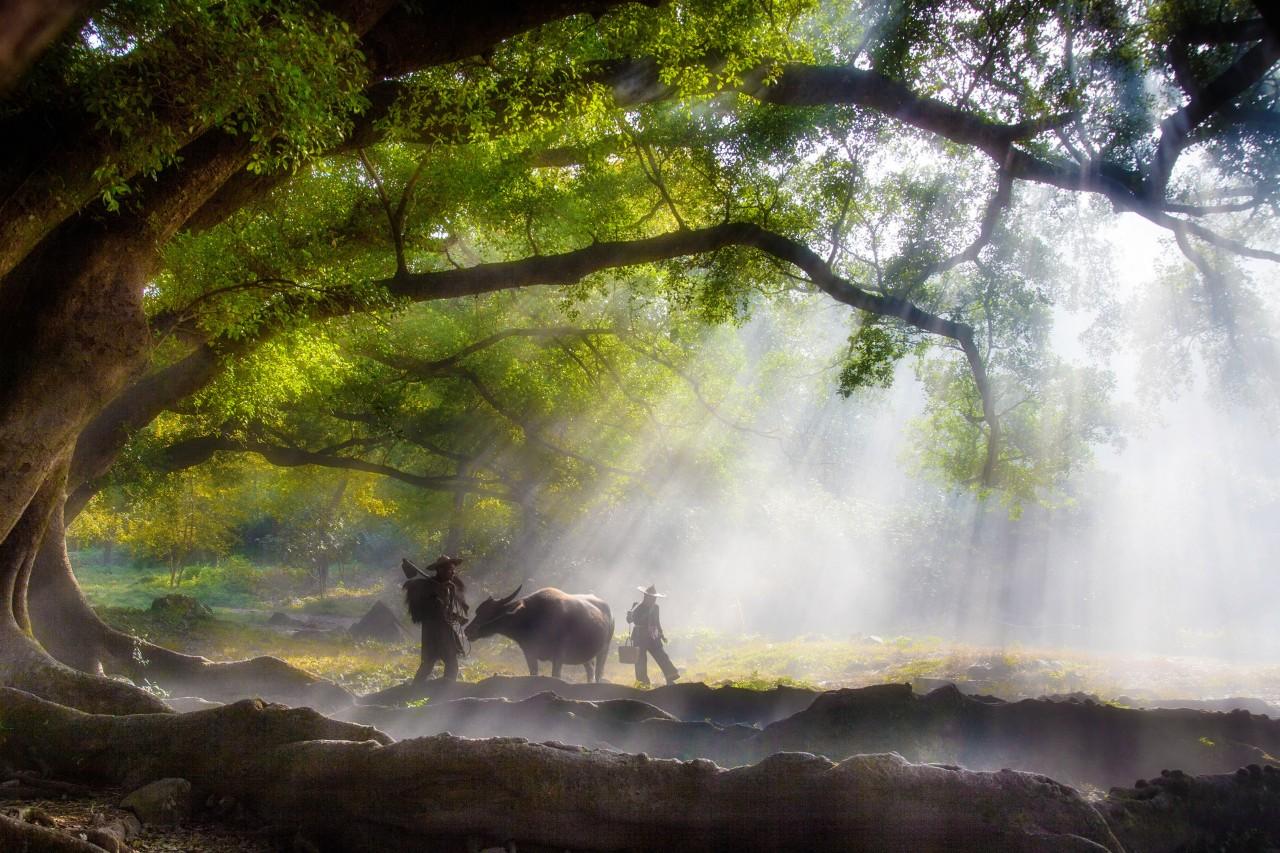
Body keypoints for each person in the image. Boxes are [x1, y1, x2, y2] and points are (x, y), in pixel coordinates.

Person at [401, 554, 469, 683]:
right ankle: (418, 690)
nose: (453, 572)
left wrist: (458, 617)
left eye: (453, 569)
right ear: (440, 570)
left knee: (447, 662)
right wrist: (439, 593)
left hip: (443, 628)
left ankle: (443, 689)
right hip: (433, 630)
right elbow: (433, 610)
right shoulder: (427, 587)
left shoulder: (450, 586)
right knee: (432, 663)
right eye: (450, 570)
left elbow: (447, 609)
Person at [626, 584, 679, 686]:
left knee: (662, 656)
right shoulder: (636, 606)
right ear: (646, 596)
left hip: (653, 636)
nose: (654, 599)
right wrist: (629, 616)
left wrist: (662, 634)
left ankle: (670, 677)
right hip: (639, 637)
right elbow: (629, 620)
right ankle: (643, 683)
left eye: (655, 598)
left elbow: (657, 622)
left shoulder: (656, 608)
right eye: (652, 597)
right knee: (640, 660)